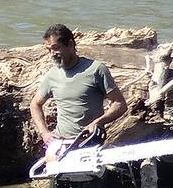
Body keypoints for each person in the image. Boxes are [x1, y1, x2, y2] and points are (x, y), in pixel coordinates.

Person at [30, 24, 129, 155]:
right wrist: (45, 133)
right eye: (49, 50)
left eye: (55, 48)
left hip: (89, 141)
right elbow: (35, 104)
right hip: (61, 143)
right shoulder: (52, 75)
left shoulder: (96, 70)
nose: (52, 54)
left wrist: (98, 122)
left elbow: (120, 104)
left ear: (70, 45)